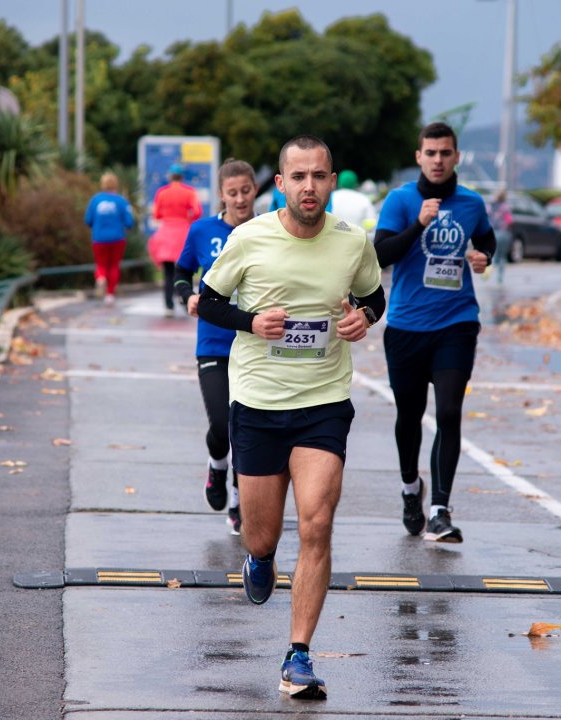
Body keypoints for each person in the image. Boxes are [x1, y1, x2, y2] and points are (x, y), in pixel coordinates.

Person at [197, 135, 385, 699]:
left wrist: (364, 319)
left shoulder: (353, 243)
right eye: (298, 176)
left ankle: (298, 655)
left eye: (320, 176)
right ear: (280, 183)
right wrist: (252, 323)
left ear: (332, 181)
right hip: (257, 404)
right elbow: (207, 300)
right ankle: (258, 558)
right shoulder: (248, 238)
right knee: (260, 536)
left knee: (318, 524)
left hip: (323, 403)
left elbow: (374, 296)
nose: (310, 187)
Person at [373, 122, 495, 544]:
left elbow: (487, 240)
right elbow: (380, 254)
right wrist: (419, 226)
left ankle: (440, 511)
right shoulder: (401, 200)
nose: (439, 160)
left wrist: (484, 257)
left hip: (456, 324)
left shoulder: (472, 203)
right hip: (406, 325)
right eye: (431, 153)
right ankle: (412, 491)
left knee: (447, 413)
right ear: (419, 157)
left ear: (457, 157)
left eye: (446, 152)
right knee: (409, 417)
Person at [172, 159, 258, 533]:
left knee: (246, 428)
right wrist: (186, 296)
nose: (240, 199)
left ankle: (239, 505)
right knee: (222, 425)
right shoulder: (202, 230)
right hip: (213, 343)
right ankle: (216, 464)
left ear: (256, 189)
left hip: (255, 347)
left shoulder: (268, 229)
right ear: (221, 195)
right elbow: (180, 273)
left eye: (246, 191)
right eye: (232, 193)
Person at [149, 163, 202, 316]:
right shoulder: (189, 192)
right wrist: (188, 218)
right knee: (184, 268)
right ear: (182, 177)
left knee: (168, 271)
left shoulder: (162, 192)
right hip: (182, 233)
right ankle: (185, 300)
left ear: (170, 177)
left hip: (166, 232)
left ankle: (168, 305)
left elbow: (156, 214)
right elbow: (197, 211)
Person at [85, 173, 135, 306]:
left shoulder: (95, 200)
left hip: (99, 238)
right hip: (118, 238)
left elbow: (88, 220)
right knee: (114, 265)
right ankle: (109, 295)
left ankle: (100, 278)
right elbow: (129, 222)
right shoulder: (122, 201)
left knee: (101, 264)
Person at [489, 190, 513, 284]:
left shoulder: (491, 207)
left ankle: (488, 270)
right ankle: (499, 279)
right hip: (504, 233)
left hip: (493, 233)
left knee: (494, 255)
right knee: (502, 257)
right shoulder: (506, 207)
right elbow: (509, 220)